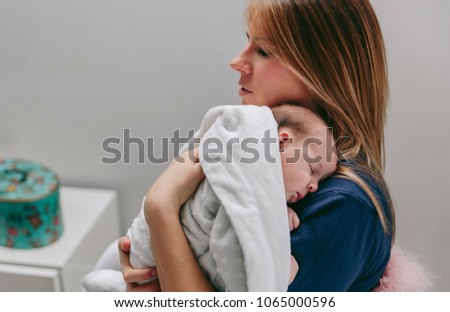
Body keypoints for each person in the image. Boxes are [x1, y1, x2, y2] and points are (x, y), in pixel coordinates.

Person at [119, 0, 395, 292]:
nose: (237, 61)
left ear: (320, 71)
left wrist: (161, 207)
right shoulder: (260, 155)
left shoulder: (344, 209)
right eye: (248, 41)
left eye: (263, 51)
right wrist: (150, 257)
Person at [125, 104, 337, 291]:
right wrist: (279, 271)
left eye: (320, 181)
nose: (314, 187)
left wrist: (276, 213)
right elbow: (233, 253)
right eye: (311, 169)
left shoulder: (340, 202)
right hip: (149, 260)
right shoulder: (234, 181)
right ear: (282, 143)